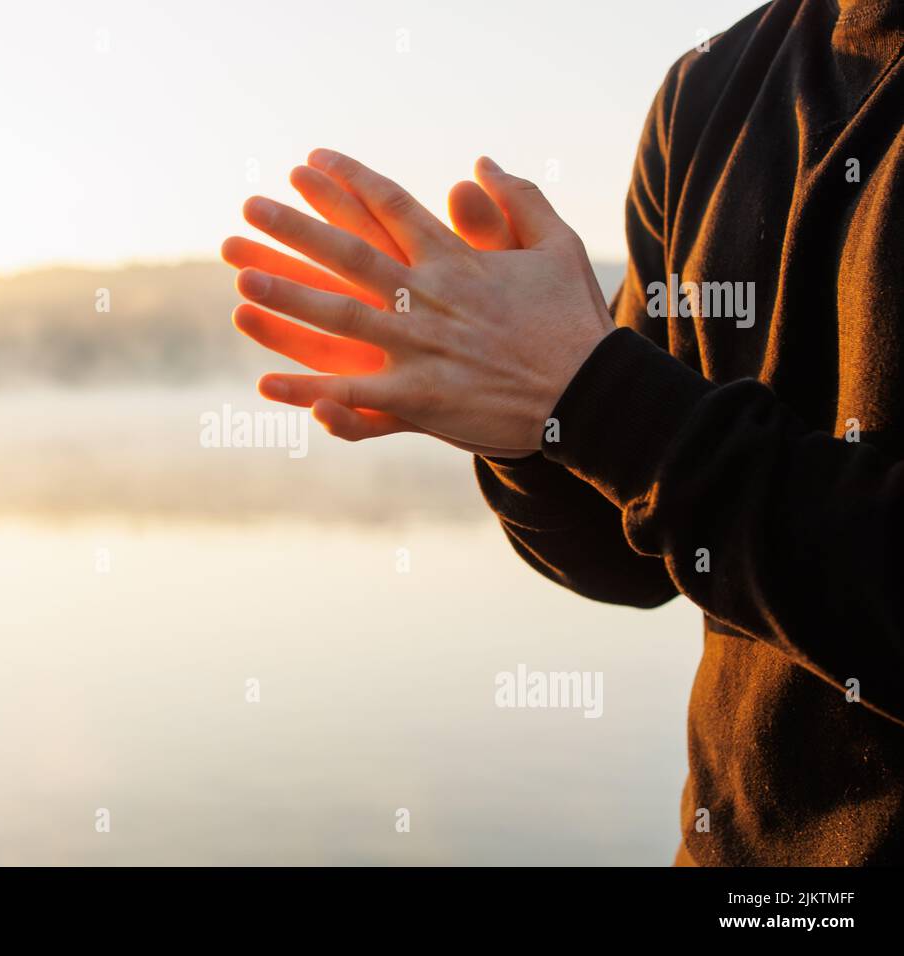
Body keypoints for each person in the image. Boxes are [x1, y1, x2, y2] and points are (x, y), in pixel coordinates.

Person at [220, 0, 904, 865]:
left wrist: (591, 396)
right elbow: (634, 563)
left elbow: (639, 430)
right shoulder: (708, 90)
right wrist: (521, 420)